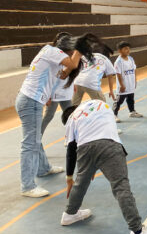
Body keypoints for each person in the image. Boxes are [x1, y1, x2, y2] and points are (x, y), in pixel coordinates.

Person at [60, 100, 147, 234]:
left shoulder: (72, 119)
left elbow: (71, 149)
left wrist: (69, 177)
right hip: (109, 145)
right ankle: (137, 232)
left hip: (85, 149)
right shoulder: (94, 104)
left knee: (80, 182)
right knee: (120, 186)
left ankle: (69, 214)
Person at [16, 33, 98, 198]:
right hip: (31, 101)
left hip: (31, 100)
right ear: (66, 49)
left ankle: (43, 168)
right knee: (30, 143)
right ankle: (27, 186)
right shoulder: (53, 51)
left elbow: (64, 72)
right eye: (71, 52)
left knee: (35, 139)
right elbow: (72, 63)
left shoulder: (50, 53)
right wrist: (80, 50)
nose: (72, 55)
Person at [41, 32, 74, 136]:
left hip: (65, 91)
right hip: (54, 92)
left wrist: (74, 84)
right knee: (49, 116)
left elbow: (72, 72)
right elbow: (49, 76)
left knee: (70, 116)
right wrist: (47, 95)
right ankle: (37, 137)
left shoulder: (69, 54)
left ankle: (71, 137)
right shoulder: (53, 54)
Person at [112, 41, 143, 122]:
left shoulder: (131, 59)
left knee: (130, 99)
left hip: (130, 84)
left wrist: (135, 80)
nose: (128, 50)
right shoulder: (118, 61)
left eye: (128, 48)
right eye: (125, 49)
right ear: (120, 50)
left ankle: (132, 112)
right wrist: (122, 85)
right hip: (123, 85)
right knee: (119, 101)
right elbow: (118, 74)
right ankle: (113, 115)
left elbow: (134, 70)